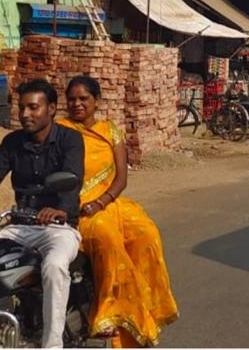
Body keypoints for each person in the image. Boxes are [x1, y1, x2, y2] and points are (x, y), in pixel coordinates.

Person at [0, 79, 84, 348]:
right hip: (18, 225)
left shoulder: (70, 139)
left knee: (55, 266)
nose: (25, 115)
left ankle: (52, 343)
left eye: (33, 108)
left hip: (58, 228)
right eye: (21, 108)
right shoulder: (12, 142)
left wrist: (60, 209)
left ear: (52, 109)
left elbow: (72, 179)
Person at [56, 76, 178, 347]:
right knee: (107, 239)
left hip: (108, 202)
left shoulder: (110, 131)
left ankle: (147, 309)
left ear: (96, 102)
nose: (77, 104)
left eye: (84, 99)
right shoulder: (59, 131)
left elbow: (121, 178)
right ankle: (111, 314)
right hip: (78, 209)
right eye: (72, 99)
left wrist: (101, 201)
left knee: (147, 234)